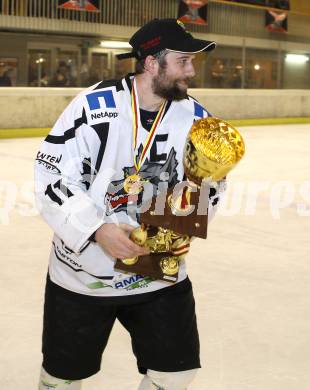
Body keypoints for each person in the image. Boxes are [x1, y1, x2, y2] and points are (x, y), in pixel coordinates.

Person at [35, 18, 226, 390]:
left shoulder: (197, 118)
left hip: (157, 273)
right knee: (62, 377)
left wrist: (188, 221)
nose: (191, 70)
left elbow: (212, 184)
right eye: (183, 61)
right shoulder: (93, 106)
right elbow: (53, 176)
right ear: (152, 62)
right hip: (82, 273)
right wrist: (97, 229)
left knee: (176, 371)